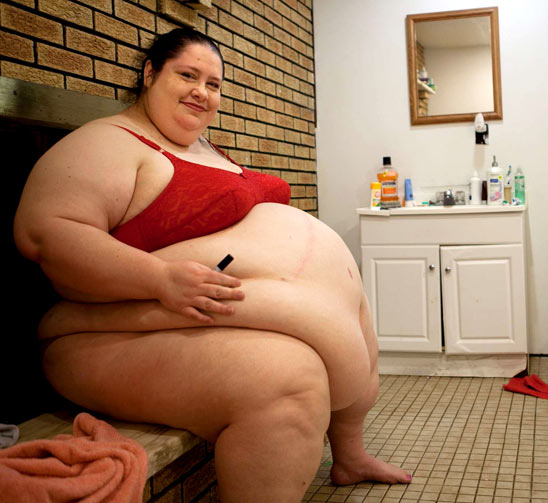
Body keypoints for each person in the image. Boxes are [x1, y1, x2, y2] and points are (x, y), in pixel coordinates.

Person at [14, 27, 411, 502]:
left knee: (338, 333)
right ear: (149, 73)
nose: (202, 92)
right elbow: (47, 233)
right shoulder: (108, 142)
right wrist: (159, 278)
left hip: (196, 313)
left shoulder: (203, 148)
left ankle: (349, 456)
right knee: (287, 379)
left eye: (214, 84)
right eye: (187, 76)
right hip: (110, 333)